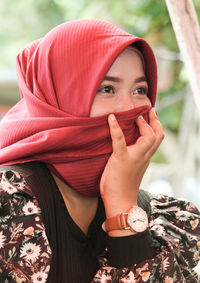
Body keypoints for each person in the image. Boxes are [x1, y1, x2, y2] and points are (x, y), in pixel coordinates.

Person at [0, 19, 199, 283]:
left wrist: (124, 209)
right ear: (61, 96)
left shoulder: (159, 217)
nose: (128, 106)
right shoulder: (10, 202)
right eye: (107, 89)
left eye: (140, 90)